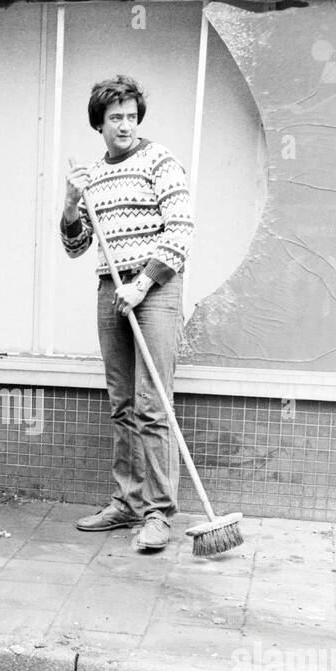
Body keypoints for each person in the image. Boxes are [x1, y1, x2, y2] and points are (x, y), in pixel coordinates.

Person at [61, 74, 193, 552]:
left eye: (132, 116)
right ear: (99, 123)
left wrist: (143, 283)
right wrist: (72, 202)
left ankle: (158, 513)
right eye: (116, 117)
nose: (126, 125)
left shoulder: (160, 160)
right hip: (110, 287)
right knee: (123, 403)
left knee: (152, 404)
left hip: (153, 286)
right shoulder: (92, 174)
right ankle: (127, 502)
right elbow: (75, 246)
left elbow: (180, 229)